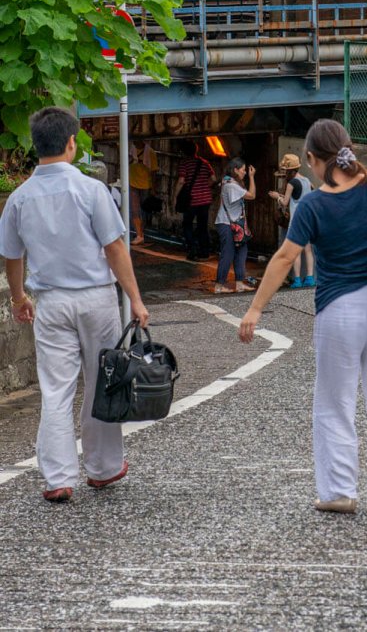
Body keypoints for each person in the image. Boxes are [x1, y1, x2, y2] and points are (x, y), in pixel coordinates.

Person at [239, 118, 367, 515]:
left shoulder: (312, 204)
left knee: (334, 402)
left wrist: (255, 308)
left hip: (339, 311)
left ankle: (340, 492)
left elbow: (285, 257)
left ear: (312, 158)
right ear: (348, 148)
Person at [0, 107, 149, 504]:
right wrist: (134, 298)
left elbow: (11, 255)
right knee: (102, 380)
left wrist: (18, 298)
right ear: (71, 143)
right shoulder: (90, 190)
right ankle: (102, 468)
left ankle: (58, 477)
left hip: (50, 302)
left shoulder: (19, 198)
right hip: (96, 297)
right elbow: (115, 248)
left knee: (56, 389)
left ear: (35, 146)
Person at [268, 152, 315, 289]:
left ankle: (297, 280)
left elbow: (285, 202)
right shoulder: (307, 181)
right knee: (308, 250)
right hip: (308, 220)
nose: (284, 172)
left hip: (296, 222)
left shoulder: (291, 183)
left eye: (285, 170)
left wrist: (277, 196)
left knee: (295, 252)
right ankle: (310, 278)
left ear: (290, 170)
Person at [214, 157, 256, 294]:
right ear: (235, 170)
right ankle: (219, 286)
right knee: (228, 253)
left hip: (231, 223)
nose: (245, 172)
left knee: (242, 250)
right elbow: (251, 195)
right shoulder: (231, 185)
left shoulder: (227, 181)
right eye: (243, 170)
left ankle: (239, 283)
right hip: (227, 223)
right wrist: (252, 177)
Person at [174, 140, 216, 262]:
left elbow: (181, 181)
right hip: (206, 199)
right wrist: (204, 186)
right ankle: (204, 252)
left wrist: (175, 196)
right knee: (202, 226)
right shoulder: (205, 162)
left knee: (187, 224)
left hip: (192, 200)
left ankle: (192, 248)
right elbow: (213, 178)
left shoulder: (184, 163)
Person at [128, 144, 151, 246]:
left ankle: (141, 233)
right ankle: (139, 235)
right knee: (135, 210)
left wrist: (153, 187)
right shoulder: (129, 150)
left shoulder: (150, 152)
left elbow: (153, 171)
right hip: (133, 183)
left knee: (144, 211)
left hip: (145, 185)